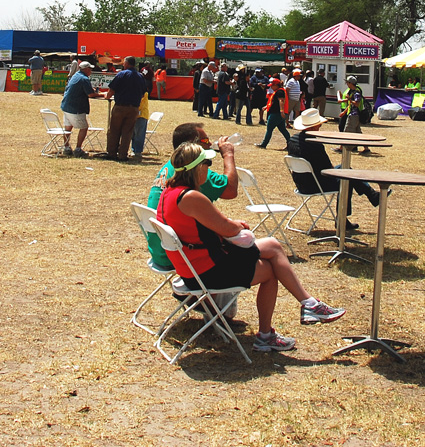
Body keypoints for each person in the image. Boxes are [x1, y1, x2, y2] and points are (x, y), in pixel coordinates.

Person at [156, 142, 346, 353]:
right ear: (196, 168)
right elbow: (228, 229)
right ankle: (279, 326)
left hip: (192, 267)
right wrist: (235, 225)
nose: (209, 169)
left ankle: (307, 306)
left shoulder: (170, 192)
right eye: (208, 163)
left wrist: (229, 226)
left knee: (272, 247)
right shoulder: (192, 197)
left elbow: (202, 225)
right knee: (271, 268)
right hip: (207, 271)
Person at [145, 122, 239, 273]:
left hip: (159, 251)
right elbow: (230, 191)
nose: (209, 144)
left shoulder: (171, 167)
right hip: (178, 254)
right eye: (205, 141)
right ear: (191, 146)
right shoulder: (194, 175)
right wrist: (228, 155)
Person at [288, 108, 378, 229]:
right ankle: (343, 218)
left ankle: (371, 195)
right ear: (315, 127)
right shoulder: (315, 144)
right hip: (315, 184)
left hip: (300, 183)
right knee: (346, 177)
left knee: (345, 170)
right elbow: (328, 169)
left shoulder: (292, 140)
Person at [105, 56, 146, 161]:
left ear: (127, 64)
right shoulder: (140, 76)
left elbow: (112, 89)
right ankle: (123, 155)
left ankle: (112, 153)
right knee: (127, 132)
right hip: (134, 109)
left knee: (114, 130)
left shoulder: (121, 74)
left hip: (120, 107)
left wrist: (107, 97)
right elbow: (143, 94)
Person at [60, 61, 101, 158]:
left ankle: (67, 148)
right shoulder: (84, 78)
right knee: (84, 127)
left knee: (67, 128)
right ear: (86, 69)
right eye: (90, 69)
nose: (91, 70)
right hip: (76, 108)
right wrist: (101, 94)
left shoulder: (75, 76)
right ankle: (78, 149)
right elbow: (90, 94)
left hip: (66, 106)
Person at [338, 75, 370, 154]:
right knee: (358, 133)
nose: (347, 84)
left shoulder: (356, 92)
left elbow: (357, 104)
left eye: (347, 83)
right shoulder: (352, 92)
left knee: (347, 131)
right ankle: (366, 148)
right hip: (352, 114)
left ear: (350, 83)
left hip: (354, 115)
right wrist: (344, 112)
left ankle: (343, 148)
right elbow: (350, 104)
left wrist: (349, 99)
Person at [257, 76, 291, 149]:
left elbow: (281, 101)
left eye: (272, 85)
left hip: (276, 114)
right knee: (283, 129)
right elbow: (274, 102)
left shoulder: (279, 92)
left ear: (276, 85)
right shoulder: (279, 91)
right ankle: (290, 143)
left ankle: (264, 144)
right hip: (279, 114)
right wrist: (266, 106)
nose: (271, 87)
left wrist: (281, 111)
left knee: (269, 129)